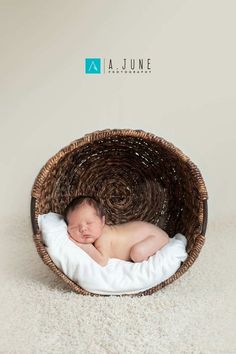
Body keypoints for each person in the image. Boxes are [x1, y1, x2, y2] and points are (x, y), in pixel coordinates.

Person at [63, 195, 170, 267]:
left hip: (155, 237)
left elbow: (102, 261)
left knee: (138, 253)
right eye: (75, 227)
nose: (83, 229)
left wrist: (83, 246)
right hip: (148, 234)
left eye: (89, 223)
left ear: (102, 221)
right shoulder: (96, 233)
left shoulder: (103, 236)